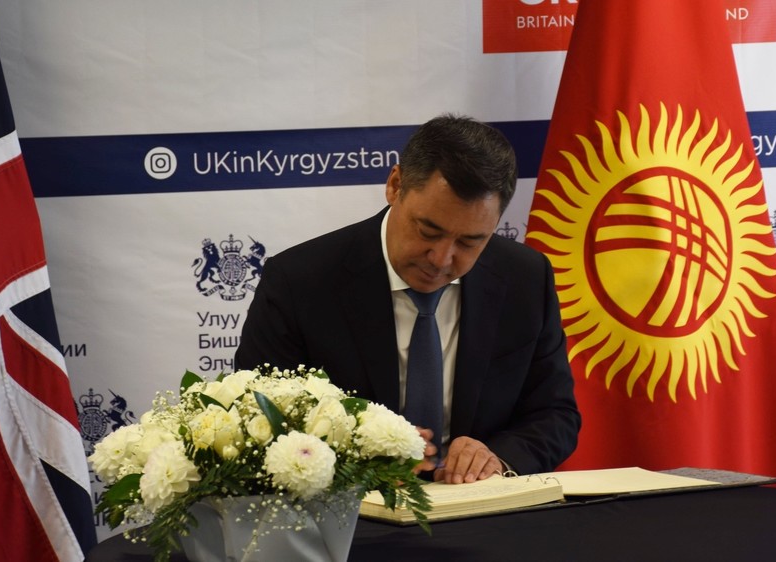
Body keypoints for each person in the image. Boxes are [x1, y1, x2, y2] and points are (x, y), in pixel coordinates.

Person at [235, 114, 580, 484]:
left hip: (480, 504)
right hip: (353, 506)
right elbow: (256, 416)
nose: (442, 259)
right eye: (428, 230)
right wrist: (358, 453)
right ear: (395, 185)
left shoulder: (525, 278)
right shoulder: (299, 281)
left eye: (470, 241)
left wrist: (496, 457)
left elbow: (554, 414)